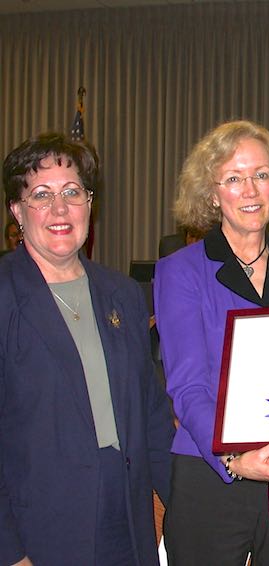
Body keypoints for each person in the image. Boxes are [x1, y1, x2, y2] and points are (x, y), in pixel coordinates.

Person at [154, 120, 269, 565]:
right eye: (233, 178)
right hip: (213, 475)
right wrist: (234, 457)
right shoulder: (181, 271)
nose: (250, 190)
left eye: (262, 175)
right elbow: (188, 388)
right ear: (212, 194)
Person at [0, 132, 175, 566]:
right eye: (41, 194)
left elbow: (150, 413)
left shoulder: (123, 294)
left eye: (72, 192)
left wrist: (190, 512)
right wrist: (9, 551)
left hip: (127, 520)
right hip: (39, 530)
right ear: (17, 212)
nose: (60, 209)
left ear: (89, 204)